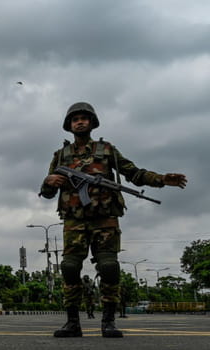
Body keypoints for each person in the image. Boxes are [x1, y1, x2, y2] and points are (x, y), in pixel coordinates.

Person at [39, 102, 187, 338]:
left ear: (92, 123)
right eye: (75, 119)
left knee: (109, 267)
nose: (79, 122)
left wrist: (160, 179)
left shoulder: (106, 150)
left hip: (105, 219)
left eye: (84, 118)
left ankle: (108, 321)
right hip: (74, 221)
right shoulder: (60, 156)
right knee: (69, 267)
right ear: (69, 125)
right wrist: (48, 182)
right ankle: (72, 322)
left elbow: (134, 174)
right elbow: (47, 192)